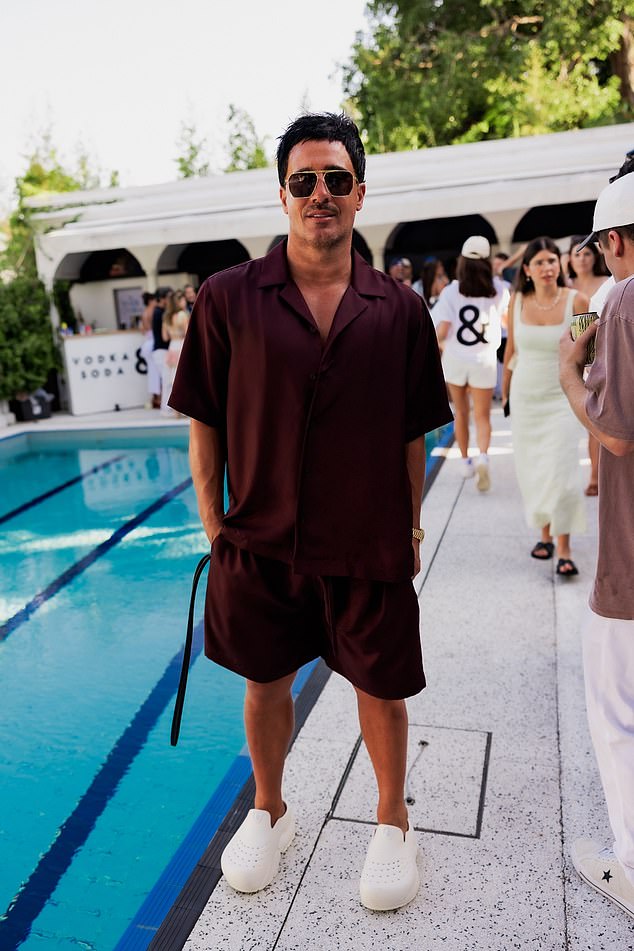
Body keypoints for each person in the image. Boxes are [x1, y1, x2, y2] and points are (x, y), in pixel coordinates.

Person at [169, 112, 452, 912]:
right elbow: (204, 418)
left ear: (360, 193)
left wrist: (410, 522)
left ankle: (392, 820)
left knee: (381, 687)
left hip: (366, 535)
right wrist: (214, 528)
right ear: (283, 196)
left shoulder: (397, 309)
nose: (319, 194)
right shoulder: (228, 299)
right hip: (259, 539)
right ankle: (271, 806)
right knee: (265, 681)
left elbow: (412, 428)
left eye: (335, 179)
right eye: (304, 181)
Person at [559, 172, 634, 920]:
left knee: (614, 710)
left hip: (632, 553)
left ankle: (631, 860)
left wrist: (568, 375)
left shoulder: (626, 298)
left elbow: (615, 430)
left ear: (613, 240)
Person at [502, 237, 588, 576]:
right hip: (526, 397)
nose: (547, 267)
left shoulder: (578, 300)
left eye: (552, 260)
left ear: (560, 264)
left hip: (562, 397)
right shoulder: (517, 301)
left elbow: (589, 355)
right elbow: (511, 351)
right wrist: (506, 394)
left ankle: (564, 548)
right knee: (535, 469)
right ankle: (545, 535)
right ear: (527, 269)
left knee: (564, 471)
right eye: (539, 262)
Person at [434, 235, 509, 491]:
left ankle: (465, 461)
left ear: (462, 261)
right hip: (484, 360)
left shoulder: (451, 291)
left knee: (461, 414)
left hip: (455, 360)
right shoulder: (499, 289)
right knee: (483, 415)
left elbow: (442, 331)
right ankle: (484, 456)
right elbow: (507, 323)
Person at [566, 236, 611, 496]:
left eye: (586, 254)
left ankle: (595, 475)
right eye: (577, 254)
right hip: (570, 361)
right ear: (569, 260)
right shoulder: (565, 287)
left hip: (597, 361)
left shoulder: (606, 285)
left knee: (594, 425)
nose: (582, 258)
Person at [160, 289, 189, 416]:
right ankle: (184, 408)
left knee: (173, 378)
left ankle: (176, 410)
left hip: (172, 346)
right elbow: (188, 333)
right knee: (184, 377)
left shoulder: (166, 318)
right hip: (182, 344)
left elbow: (165, 337)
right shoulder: (183, 315)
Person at [150, 287, 171, 409]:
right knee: (166, 380)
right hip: (160, 350)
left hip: (161, 350)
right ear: (163, 299)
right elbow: (164, 337)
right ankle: (166, 408)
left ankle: (167, 408)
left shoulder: (159, 311)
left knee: (166, 380)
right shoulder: (159, 313)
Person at [140, 292, 159, 407]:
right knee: (157, 372)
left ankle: (155, 398)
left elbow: (142, 329)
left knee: (152, 372)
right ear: (151, 300)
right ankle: (158, 399)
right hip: (153, 342)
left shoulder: (144, 312)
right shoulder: (153, 311)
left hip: (146, 342)